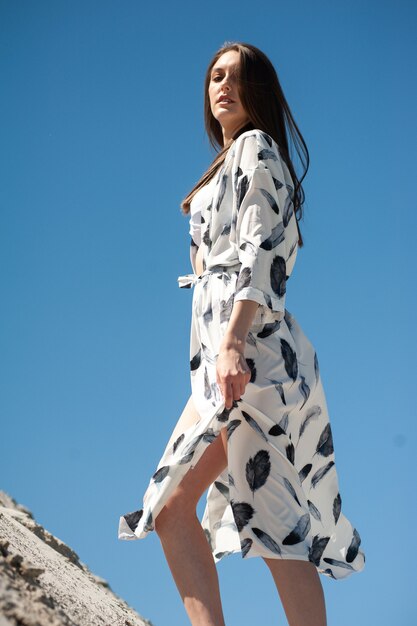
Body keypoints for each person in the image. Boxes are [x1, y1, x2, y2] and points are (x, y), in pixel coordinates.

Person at [118, 41, 365, 626]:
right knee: (201, 512)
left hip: (252, 356)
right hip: (225, 363)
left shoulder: (257, 149)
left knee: (220, 513)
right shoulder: (223, 165)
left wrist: (230, 343)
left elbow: (266, 256)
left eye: (235, 77)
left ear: (257, 90)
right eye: (214, 77)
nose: (222, 86)